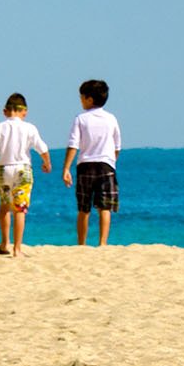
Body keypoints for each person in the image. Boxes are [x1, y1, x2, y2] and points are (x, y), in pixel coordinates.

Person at [0, 93, 51, 256]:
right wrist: (47, 162)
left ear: (5, 111)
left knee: (5, 207)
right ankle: (17, 248)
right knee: (20, 209)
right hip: (22, 169)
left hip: (3, 169)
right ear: (24, 112)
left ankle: (5, 243)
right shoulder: (29, 128)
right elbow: (42, 148)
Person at [61, 78, 122, 246]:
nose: (80, 100)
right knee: (105, 207)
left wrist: (66, 168)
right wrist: (111, 160)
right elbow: (117, 146)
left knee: (83, 208)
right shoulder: (111, 119)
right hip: (106, 164)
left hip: (85, 165)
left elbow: (73, 145)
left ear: (89, 99)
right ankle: (103, 243)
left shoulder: (81, 119)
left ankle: (82, 243)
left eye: (82, 97)